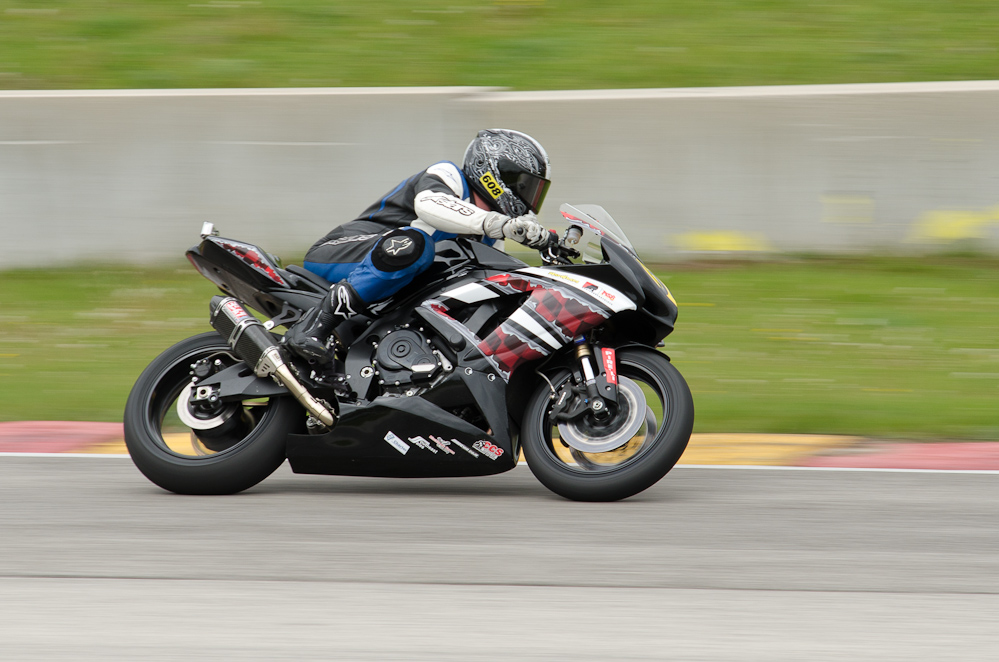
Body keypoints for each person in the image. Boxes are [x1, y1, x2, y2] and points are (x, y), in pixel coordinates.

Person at [284, 128, 553, 364]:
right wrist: (498, 223)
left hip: (389, 286)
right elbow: (429, 204)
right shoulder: (449, 176)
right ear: (495, 172)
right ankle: (314, 325)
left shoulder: (492, 237)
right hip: (340, 251)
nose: (528, 198)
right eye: (525, 185)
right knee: (416, 244)